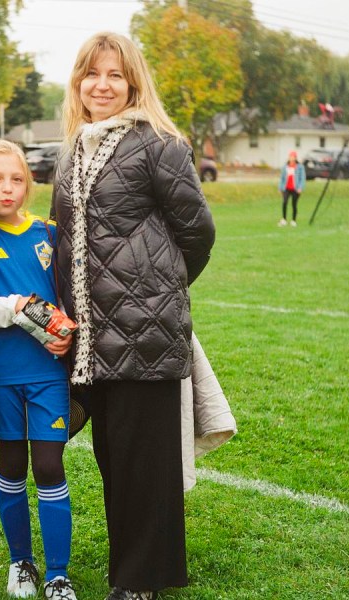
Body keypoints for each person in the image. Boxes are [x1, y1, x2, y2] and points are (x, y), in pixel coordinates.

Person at [50, 32, 216, 600]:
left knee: (145, 464)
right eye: (91, 74)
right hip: (91, 338)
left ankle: (140, 582)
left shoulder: (159, 145)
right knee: (115, 460)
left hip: (145, 332)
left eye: (114, 75)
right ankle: (135, 568)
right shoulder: (73, 149)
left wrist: (154, 295)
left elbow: (197, 232)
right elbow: (66, 237)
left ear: (133, 82)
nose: (102, 85)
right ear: (78, 83)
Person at [0, 140, 76, 600]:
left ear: (28, 183)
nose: (6, 188)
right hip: (1, 375)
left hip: (49, 373)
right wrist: (20, 308)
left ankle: (58, 574)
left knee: (49, 465)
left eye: (15, 179)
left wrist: (64, 328)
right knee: (11, 466)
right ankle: (21, 563)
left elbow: (68, 294)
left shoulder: (48, 232)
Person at [278, 150, 305, 227]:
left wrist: (300, 187)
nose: (292, 158)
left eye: (293, 157)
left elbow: (302, 178)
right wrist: (280, 187)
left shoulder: (300, 167)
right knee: (285, 202)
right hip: (286, 188)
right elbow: (282, 178)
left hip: (295, 188)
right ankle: (284, 219)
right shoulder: (285, 167)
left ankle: (293, 220)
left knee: (294, 204)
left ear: (295, 158)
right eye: (291, 157)